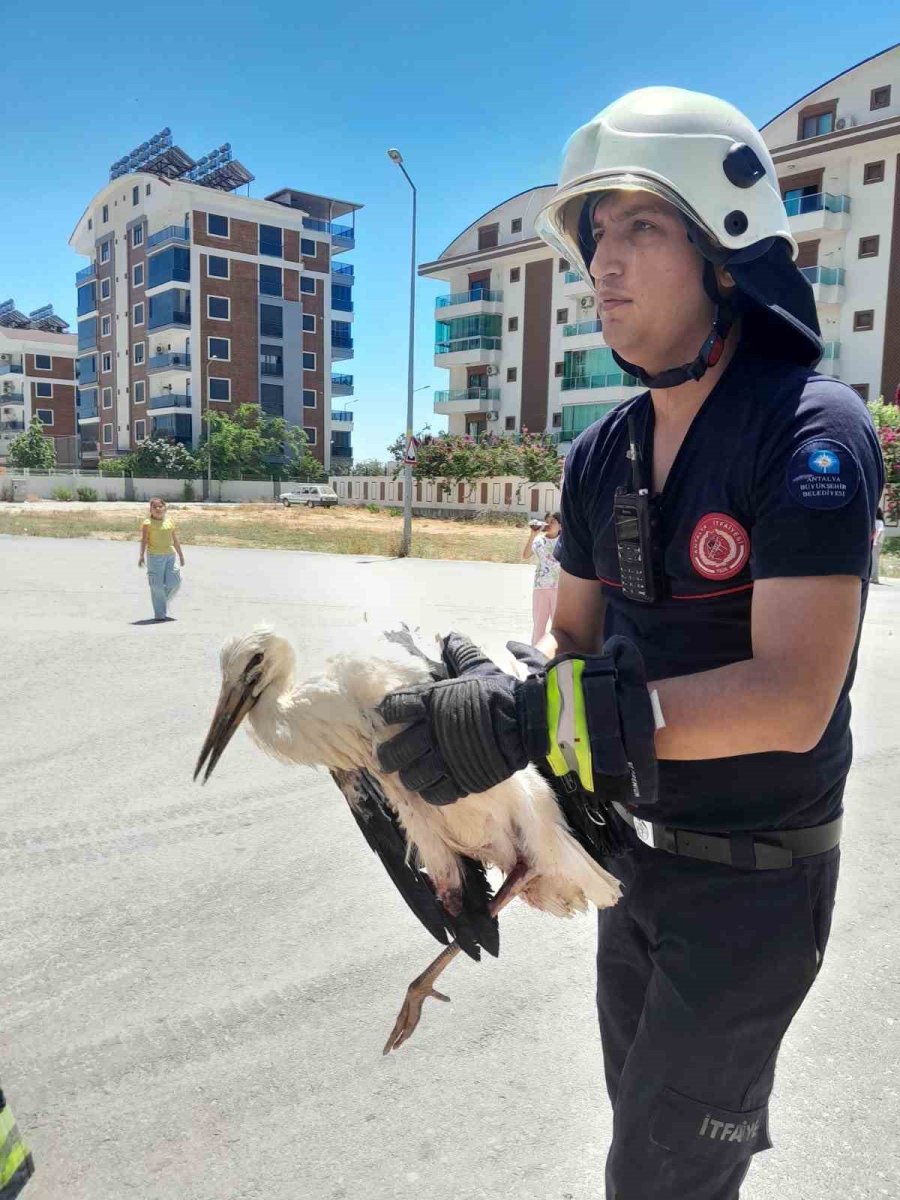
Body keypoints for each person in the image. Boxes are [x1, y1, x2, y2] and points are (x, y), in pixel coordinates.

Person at [376, 86, 883, 1199]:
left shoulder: (812, 430)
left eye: (640, 227)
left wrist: (533, 718)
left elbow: (792, 697)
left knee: (653, 1181)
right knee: (659, 1157)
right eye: (594, 233)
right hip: (631, 869)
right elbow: (567, 645)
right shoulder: (598, 455)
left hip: (755, 891)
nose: (603, 261)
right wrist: (487, 704)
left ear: (722, 249)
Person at [137, 497, 184, 621]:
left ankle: (162, 599)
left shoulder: (169, 522)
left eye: (160, 506)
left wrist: (181, 555)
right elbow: (144, 540)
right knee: (156, 586)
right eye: (154, 507)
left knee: (175, 581)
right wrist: (141, 555)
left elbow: (175, 540)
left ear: (165, 508)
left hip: (170, 555)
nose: (158, 509)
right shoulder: (147, 523)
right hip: (155, 557)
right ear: (151, 510)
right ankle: (160, 615)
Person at [523, 511, 561, 644]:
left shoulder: (564, 542)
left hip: (559, 589)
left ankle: (557, 654)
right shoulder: (539, 541)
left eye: (553, 522)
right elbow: (526, 555)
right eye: (547, 521)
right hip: (540, 587)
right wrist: (533, 535)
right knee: (539, 624)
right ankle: (535, 656)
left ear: (561, 526)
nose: (549, 524)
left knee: (558, 626)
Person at [871, 505, 886, 583]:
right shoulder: (879, 521)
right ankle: (873, 577)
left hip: (876, 543)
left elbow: (878, 531)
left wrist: (875, 541)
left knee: (875, 560)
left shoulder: (878, 522)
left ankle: (875, 578)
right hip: (876, 542)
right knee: (873, 560)